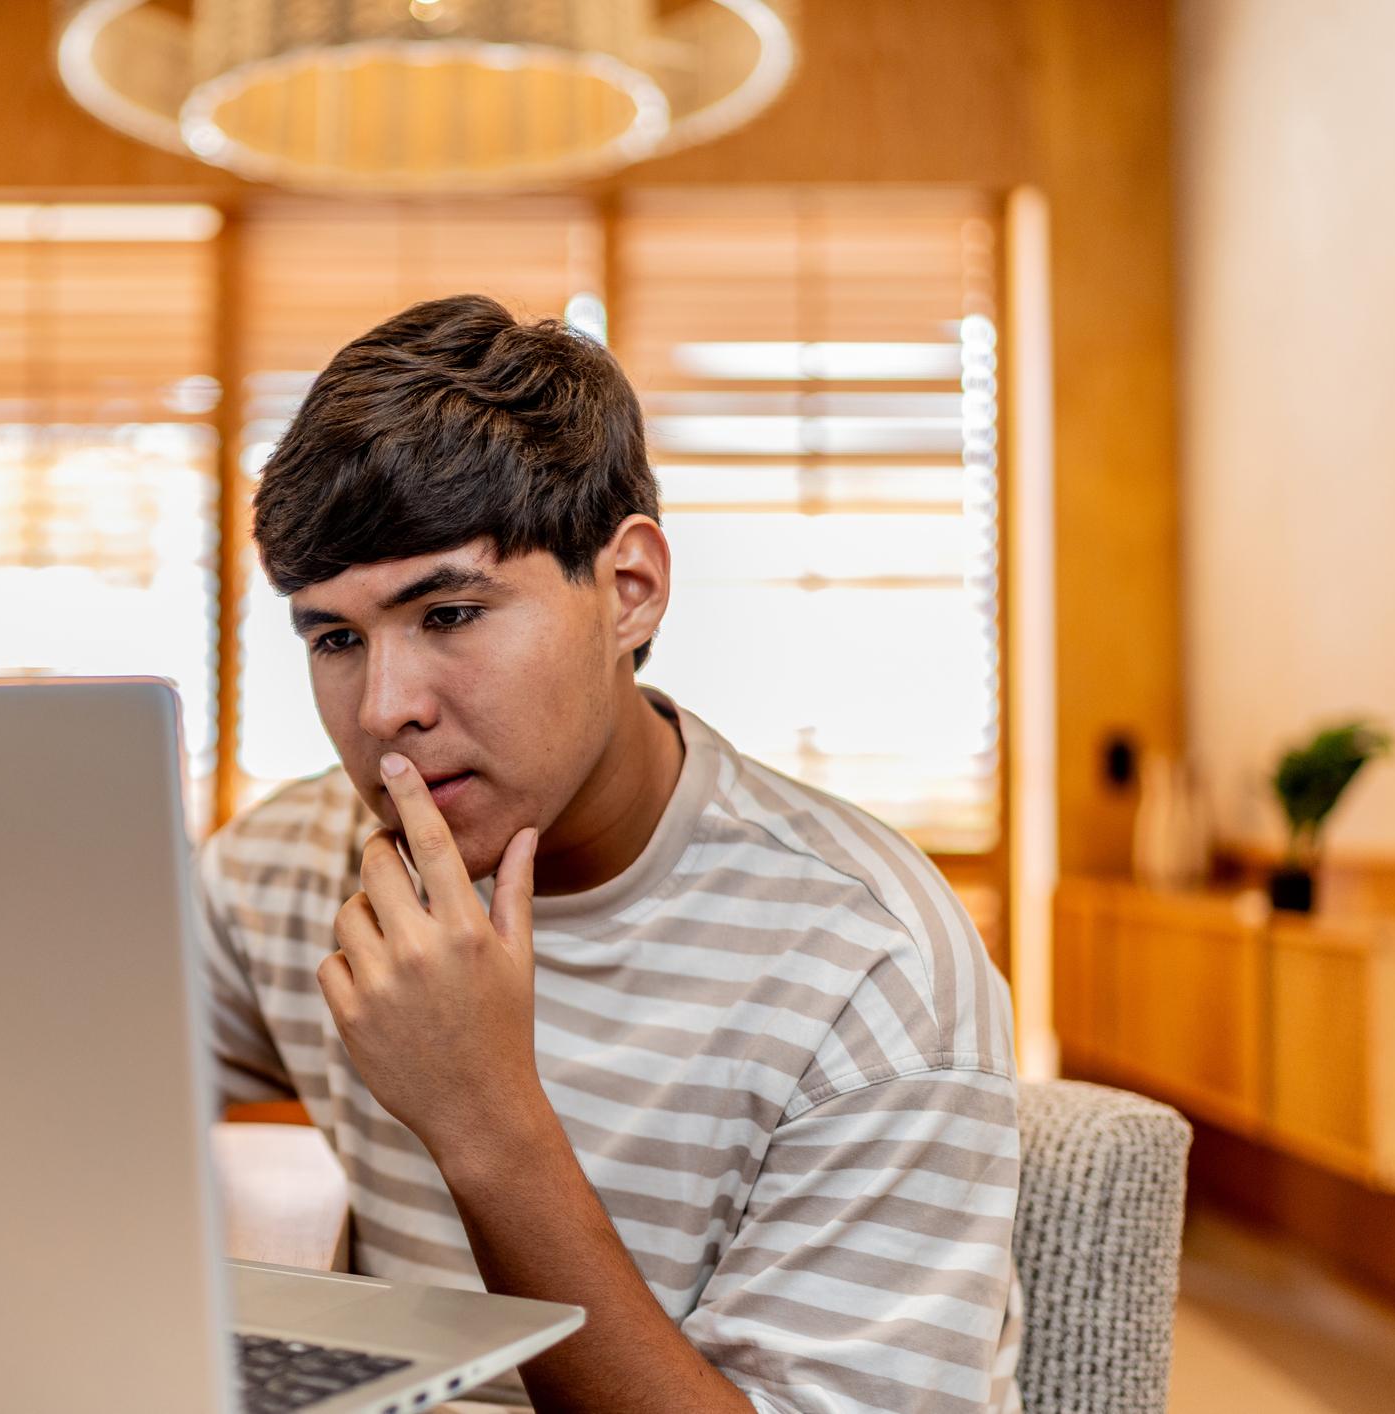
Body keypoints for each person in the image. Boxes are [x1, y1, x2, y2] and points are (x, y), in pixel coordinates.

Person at [197, 293, 1023, 1413]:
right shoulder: (298, 866)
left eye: (448, 614)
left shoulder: (869, 968)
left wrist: (486, 1122)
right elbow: (36, 1078)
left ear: (629, 589)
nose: (385, 708)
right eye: (336, 638)